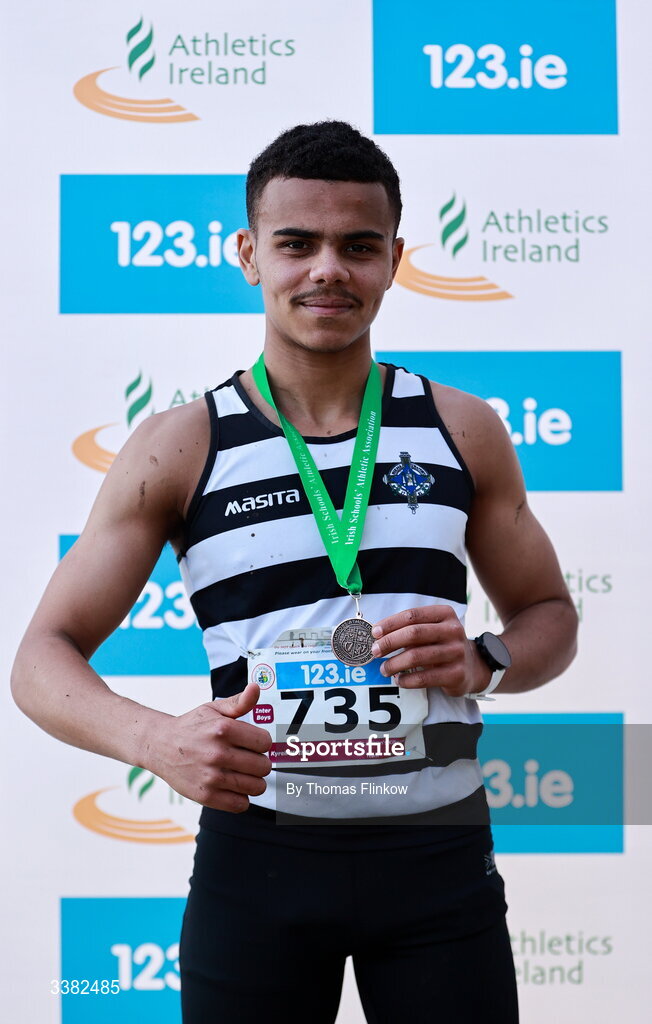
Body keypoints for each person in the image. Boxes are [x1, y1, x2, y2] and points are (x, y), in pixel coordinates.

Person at [12, 121, 577, 1023]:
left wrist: (484, 661)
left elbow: (549, 614)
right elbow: (41, 657)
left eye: (358, 246)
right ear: (248, 255)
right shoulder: (180, 445)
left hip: (437, 854)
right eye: (296, 243)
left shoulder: (461, 428)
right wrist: (152, 740)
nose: (328, 270)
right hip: (259, 856)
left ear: (395, 258)